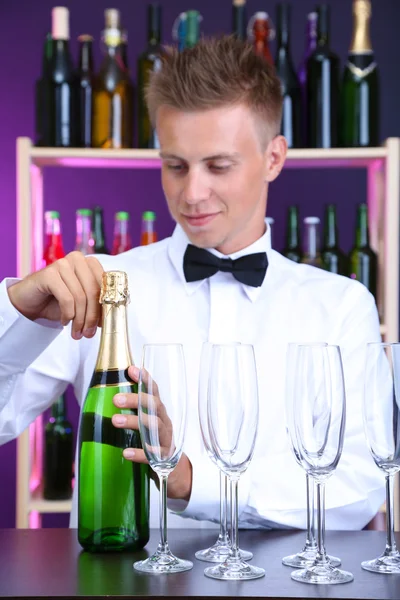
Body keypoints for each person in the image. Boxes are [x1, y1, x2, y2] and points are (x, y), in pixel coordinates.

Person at [0, 36, 384, 530]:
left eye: (218, 166)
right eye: (175, 166)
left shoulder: (343, 306)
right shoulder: (106, 286)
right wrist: (19, 311)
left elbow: (356, 489)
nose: (192, 193)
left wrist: (188, 480)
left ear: (274, 158)